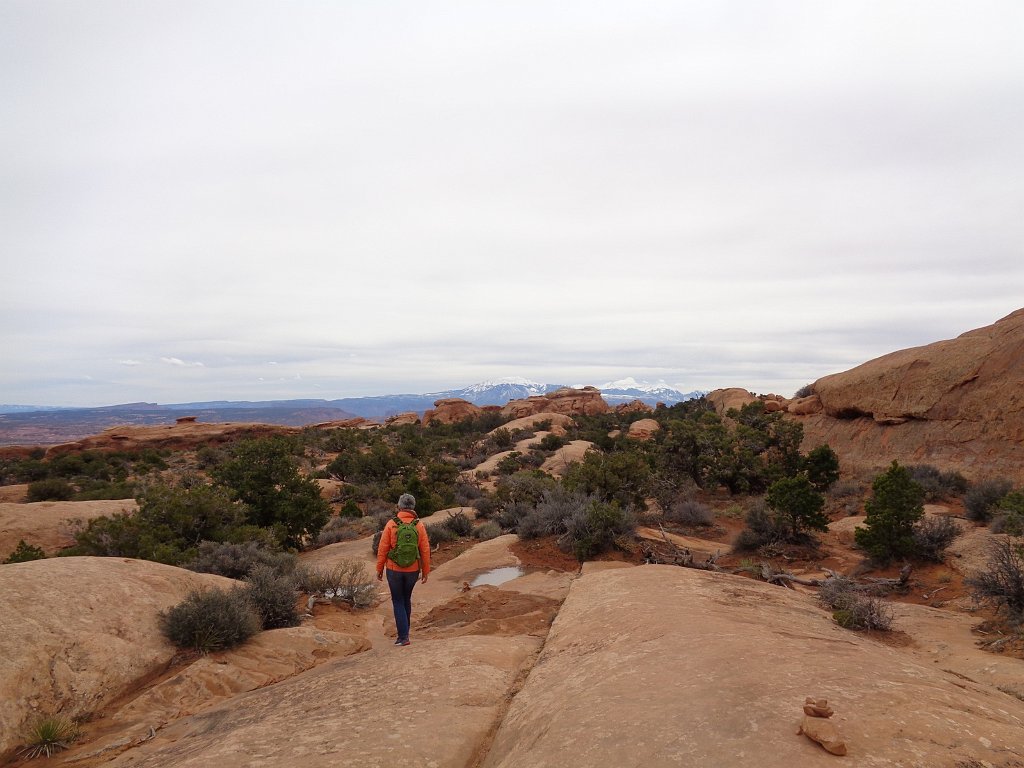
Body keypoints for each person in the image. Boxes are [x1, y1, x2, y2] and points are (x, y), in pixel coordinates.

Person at [376, 492, 431, 646]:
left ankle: (403, 637)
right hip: (413, 570)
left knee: (398, 600)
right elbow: (425, 549)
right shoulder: (419, 525)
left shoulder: (391, 524)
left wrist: (379, 568)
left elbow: (383, 548)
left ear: (399, 506)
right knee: (406, 599)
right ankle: (404, 634)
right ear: (413, 507)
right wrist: (425, 571)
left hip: (394, 569)